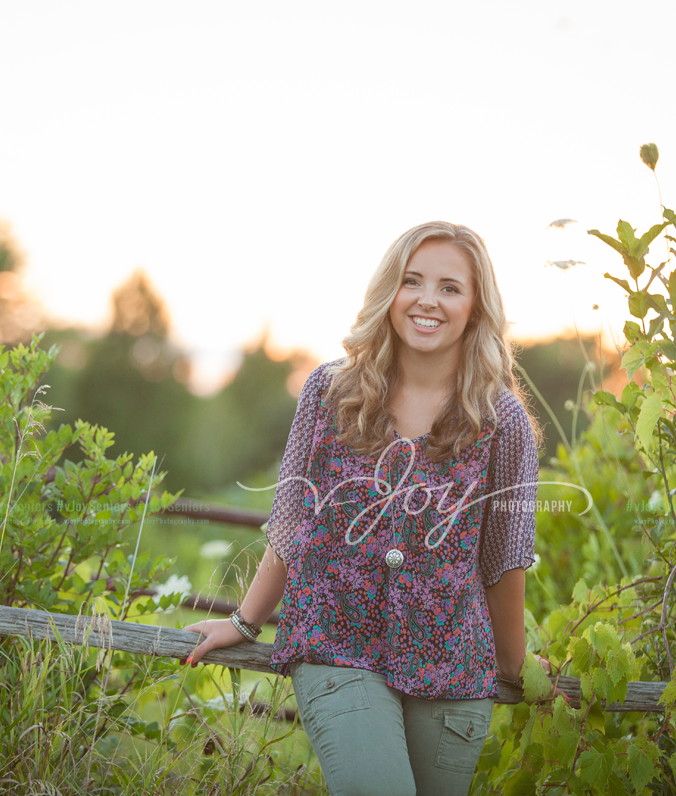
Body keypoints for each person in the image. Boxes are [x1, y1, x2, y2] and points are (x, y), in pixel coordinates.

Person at [183, 220, 543, 796]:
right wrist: (244, 621)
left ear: (476, 306)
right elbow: (292, 524)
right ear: (389, 294)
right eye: (412, 281)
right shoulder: (330, 394)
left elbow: (504, 559)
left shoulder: (502, 423)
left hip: (453, 666)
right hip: (335, 643)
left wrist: (513, 665)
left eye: (450, 287)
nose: (428, 300)